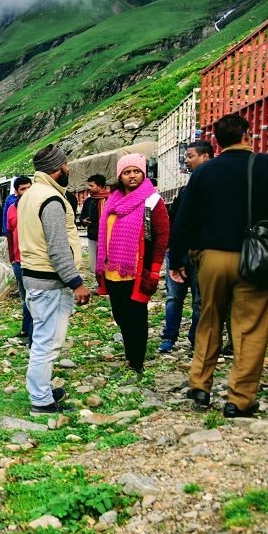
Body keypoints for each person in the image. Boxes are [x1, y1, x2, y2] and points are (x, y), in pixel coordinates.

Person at [169, 113, 268, 417]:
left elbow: (185, 220)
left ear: (217, 141)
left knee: (209, 319)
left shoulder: (203, 172)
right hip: (257, 258)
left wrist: (176, 259)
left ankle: (200, 385)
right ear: (247, 135)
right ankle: (239, 398)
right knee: (249, 327)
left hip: (212, 258)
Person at [19, 144, 91, 414]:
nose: (68, 168)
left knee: (43, 338)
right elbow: (58, 248)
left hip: (34, 278)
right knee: (47, 344)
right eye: (65, 164)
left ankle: (43, 388)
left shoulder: (30, 195)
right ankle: (40, 400)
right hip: (50, 282)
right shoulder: (50, 199)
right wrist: (76, 282)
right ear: (56, 169)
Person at [95, 153, 169, 375]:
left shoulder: (152, 200)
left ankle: (136, 361)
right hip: (113, 271)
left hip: (137, 271)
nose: (132, 176)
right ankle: (130, 353)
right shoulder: (112, 201)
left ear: (143, 173)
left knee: (136, 316)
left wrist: (154, 269)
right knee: (120, 315)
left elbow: (162, 236)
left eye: (136, 171)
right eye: (127, 172)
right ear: (120, 176)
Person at [159, 140, 213, 353]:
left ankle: (195, 339)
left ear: (205, 156)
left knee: (199, 300)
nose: (186, 161)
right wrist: (173, 251)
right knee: (174, 298)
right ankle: (169, 337)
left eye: (190, 156)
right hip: (180, 252)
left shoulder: (213, 189)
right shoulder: (185, 190)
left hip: (201, 253)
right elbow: (176, 222)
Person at [5, 176, 33, 341]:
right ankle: (26, 329)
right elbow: (8, 234)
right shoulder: (11, 209)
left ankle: (32, 332)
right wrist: (12, 257)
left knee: (34, 296)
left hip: (34, 260)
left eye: (29, 187)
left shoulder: (37, 206)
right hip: (18, 260)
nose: (27, 191)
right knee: (24, 297)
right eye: (23, 189)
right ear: (16, 192)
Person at [77, 174, 110, 281]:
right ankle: (99, 283)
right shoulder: (88, 201)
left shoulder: (109, 200)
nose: (89, 188)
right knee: (94, 264)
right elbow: (82, 216)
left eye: (92, 186)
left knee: (107, 262)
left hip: (107, 238)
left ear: (100, 187)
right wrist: (83, 221)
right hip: (93, 236)